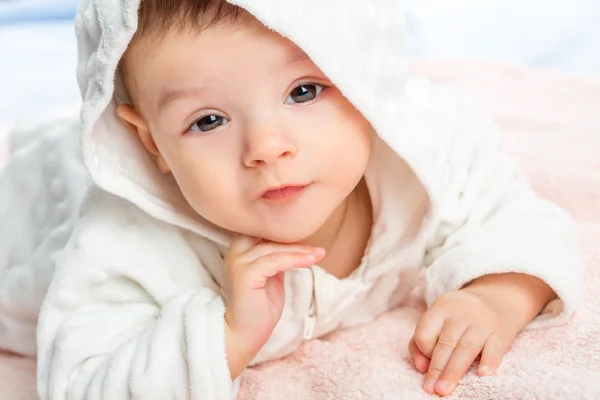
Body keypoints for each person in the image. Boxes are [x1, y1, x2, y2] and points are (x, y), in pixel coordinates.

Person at [9, 0, 579, 398]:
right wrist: (226, 333)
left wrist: (497, 295)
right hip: (33, 196)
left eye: (303, 91)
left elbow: (513, 215)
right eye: (208, 121)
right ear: (150, 142)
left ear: (362, 81)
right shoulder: (125, 241)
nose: (266, 147)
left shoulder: (430, 152)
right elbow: (82, 381)